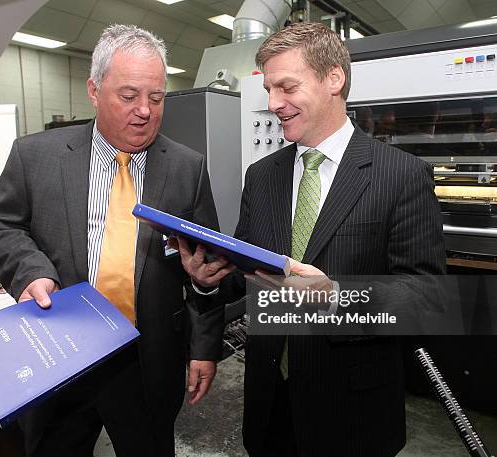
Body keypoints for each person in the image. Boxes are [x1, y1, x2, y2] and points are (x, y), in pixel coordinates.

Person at [178, 22, 445, 457]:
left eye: (286, 87)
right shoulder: (262, 177)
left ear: (334, 78)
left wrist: (339, 297)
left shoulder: (401, 175)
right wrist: (207, 278)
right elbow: (249, 276)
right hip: (270, 402)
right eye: (268, 89)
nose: (272, 104)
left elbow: (428, 298)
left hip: (352, 408)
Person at [0, 24, 225, 457]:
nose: (145, 110)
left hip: (147, 359)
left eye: (157, 97)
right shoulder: (36, 157)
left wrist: (205, 346)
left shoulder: (187, 169)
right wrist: (31, 273)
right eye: (128, 96)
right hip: (61, 354)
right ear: (94, 90)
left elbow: (207, 264)